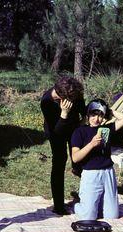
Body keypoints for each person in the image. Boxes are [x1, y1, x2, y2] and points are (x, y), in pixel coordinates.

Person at [71, 99, 123, 220]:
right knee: (88, 217)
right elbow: (75, 158)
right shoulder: (79, 131)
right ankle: (76, 205)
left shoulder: (107, 129)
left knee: (112, 217)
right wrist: (91, 144)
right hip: (91, 174)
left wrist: (109, 110)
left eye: (100, 115)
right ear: (88, 115)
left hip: (108, 173)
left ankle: (96, 204)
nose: (96, 119)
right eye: (93, 115)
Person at [40, 76, 85, 215]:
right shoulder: (47, 101)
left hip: (74, 128)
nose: (74, 100)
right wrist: (64, 113)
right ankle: (58, 206)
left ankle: (87, 193)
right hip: (55, 132)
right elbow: (57, 132)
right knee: (59, 163)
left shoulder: (74, 93)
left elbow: (83, 112)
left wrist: (81, 125)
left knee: (80, 160)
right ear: (61, 96)